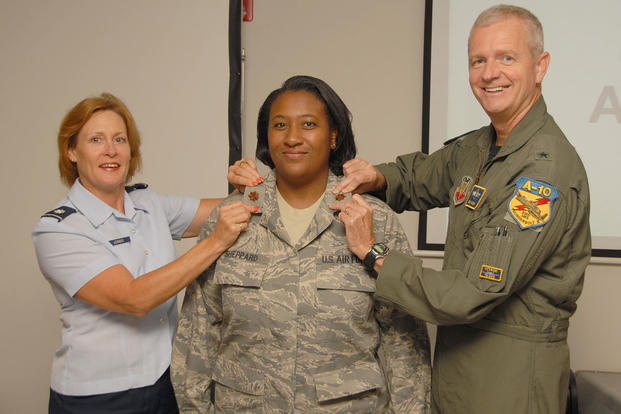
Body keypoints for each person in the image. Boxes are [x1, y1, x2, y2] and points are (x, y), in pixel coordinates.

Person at [327, 5, 591, 414]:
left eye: (507, 57)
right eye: (478, 61)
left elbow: (472, 294)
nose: (489, 73)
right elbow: (419, 177)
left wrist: (374, 254)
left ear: (540, 67)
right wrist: (375, 177)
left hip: (512, 380)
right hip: (455, 368)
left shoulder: (545, 171)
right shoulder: (480, 146)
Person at [172, 75, 431, 413]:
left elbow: (403, 344)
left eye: (308, 124)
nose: (292, 138)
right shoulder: (229, 217)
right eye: (279, 125)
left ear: (333, 136)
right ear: (267, 136)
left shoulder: (373, 220)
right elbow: (198, 335)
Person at [32, 92, 257, 413]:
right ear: (71, 151)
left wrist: (246, 184)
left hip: (166, 382)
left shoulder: (148, 203)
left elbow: (230, 209)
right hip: (101, 397)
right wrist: (216, 242)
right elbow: (133, 298)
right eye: (96, 139)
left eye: (119, 139)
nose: (111, 150)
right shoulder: (59, 229)